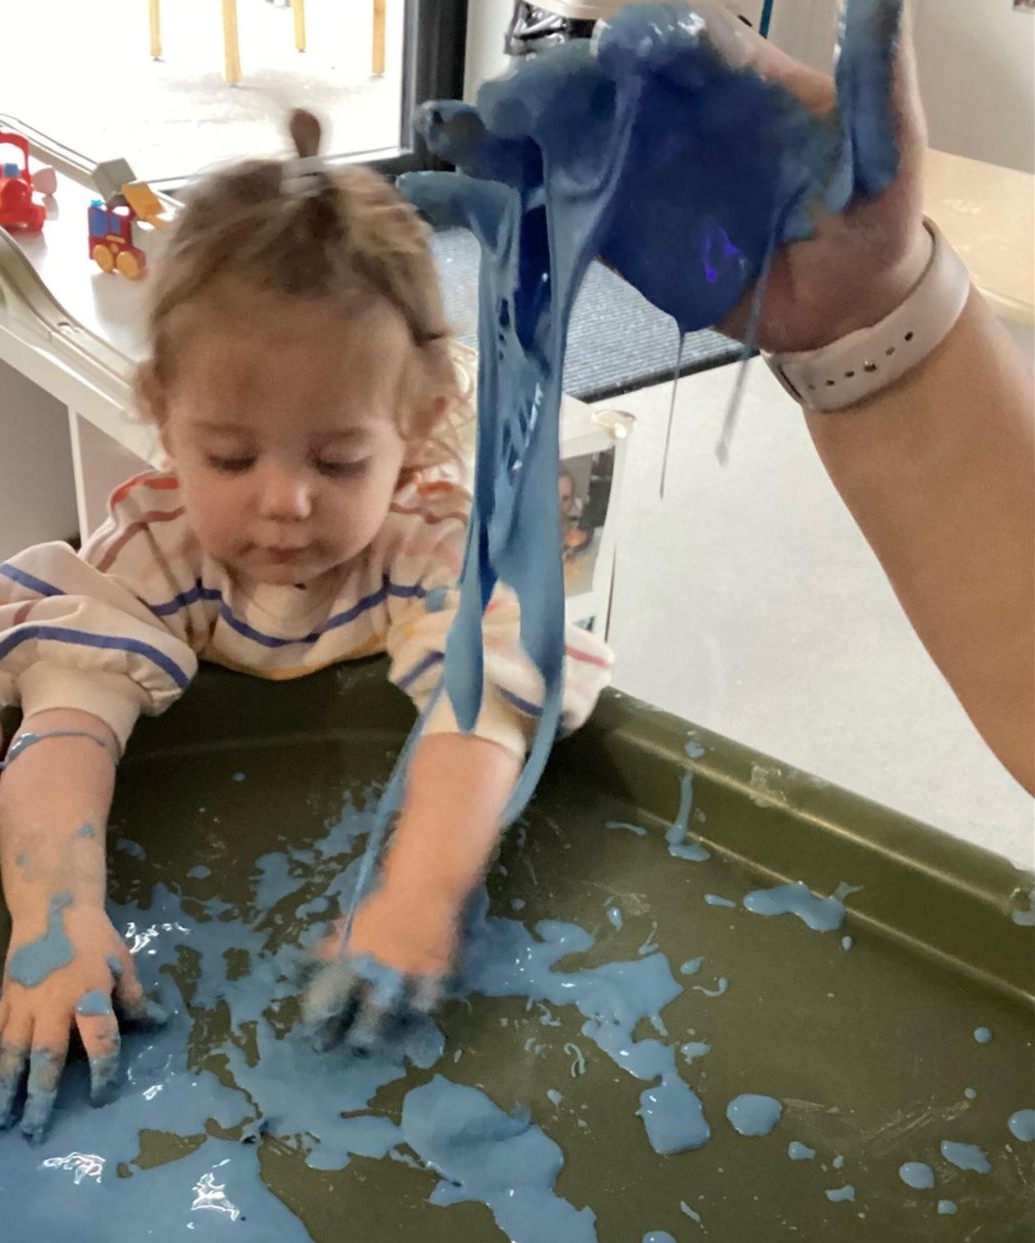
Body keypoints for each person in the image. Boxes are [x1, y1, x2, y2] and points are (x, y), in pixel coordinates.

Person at [0, 109, 613, 1140]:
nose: (285, 503)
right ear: (161, 408)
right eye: (232, 457)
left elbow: (486, 711)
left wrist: (420, 895)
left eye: (337, 462)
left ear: (417, 427)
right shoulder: (155, 547)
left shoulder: (430, 539)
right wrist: (55, 913)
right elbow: (64, 729)